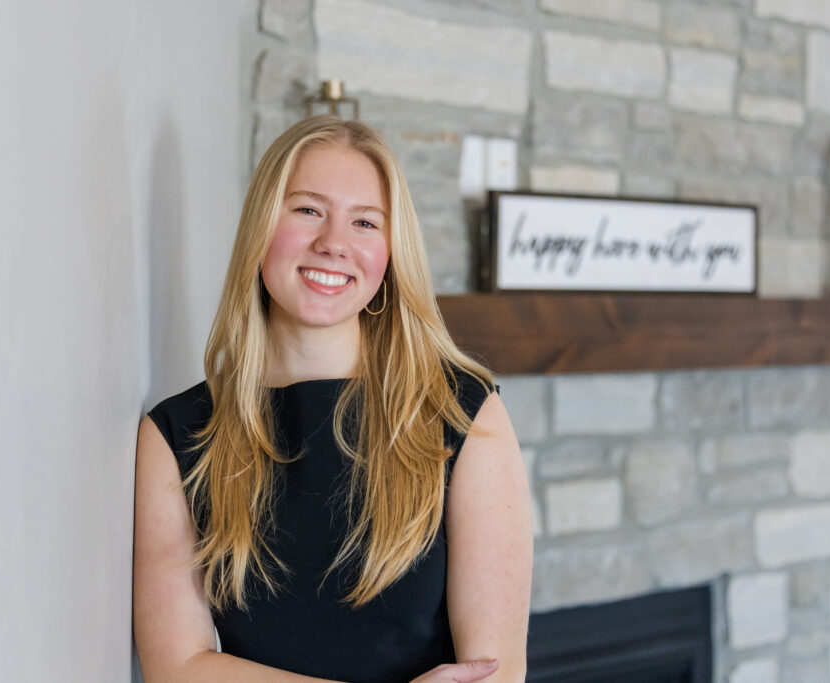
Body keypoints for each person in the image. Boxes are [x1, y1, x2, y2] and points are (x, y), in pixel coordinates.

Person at [133, 115, 532, 682]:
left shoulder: (461, 412)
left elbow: (495, 674)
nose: (334, 244)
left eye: (365, 222)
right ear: (262, 227)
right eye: (308, 210)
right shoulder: (178, 435)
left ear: (390, 255)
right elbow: (177, 668)